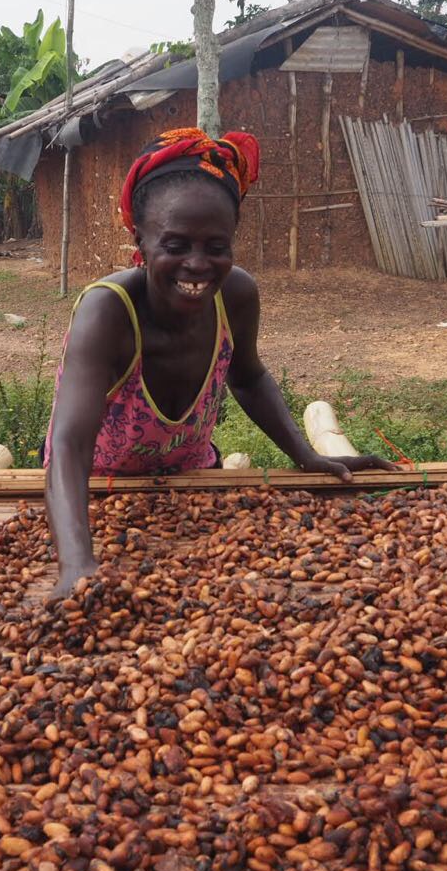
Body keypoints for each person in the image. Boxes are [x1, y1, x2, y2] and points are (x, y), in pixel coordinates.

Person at [43, 127, 394, 600]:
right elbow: (68, 444)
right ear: (139, 239)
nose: (197, 264)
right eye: (175, 246)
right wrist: (77, 563)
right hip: (99, 490)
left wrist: (306, 455)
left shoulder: (237, 295)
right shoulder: (107, 311)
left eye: (216, 247)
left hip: (193, 485)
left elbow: (248, 378)